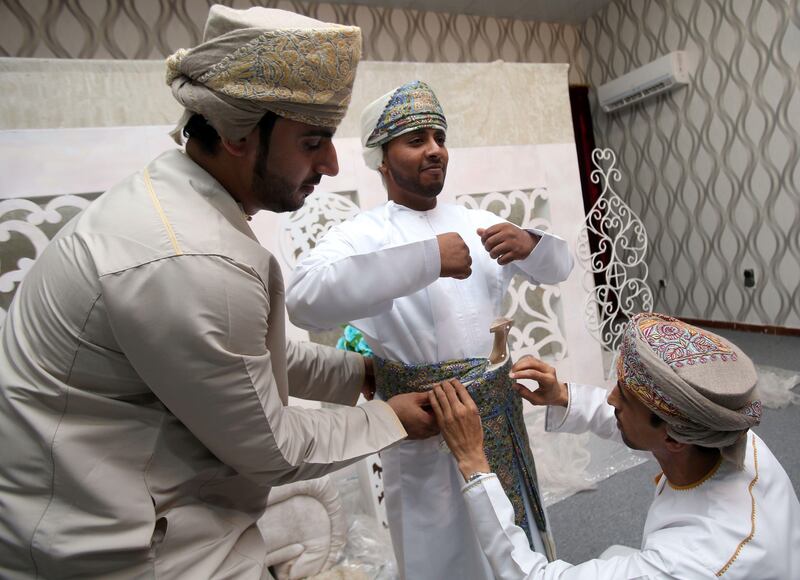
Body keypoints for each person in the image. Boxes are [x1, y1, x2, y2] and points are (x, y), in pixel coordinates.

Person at [0, 6, 434, 579]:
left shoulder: (180, 203)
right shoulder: (189, 257)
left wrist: (360, 375)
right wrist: (392, 419)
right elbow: (270, 446)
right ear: (235, 133)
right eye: (313, 142)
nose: (331, 163)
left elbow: (242, 361)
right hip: (126, 553)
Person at [286, 80, 574, 580]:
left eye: (439, 137)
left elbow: (561, 267)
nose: (435, 149)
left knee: (509, 540)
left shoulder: (478, 222)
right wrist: (425, 260)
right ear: (381, 156)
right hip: (423, 423)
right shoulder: (362, 234)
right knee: (437, 550)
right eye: (416, 139)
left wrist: (532, 243)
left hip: (494, 419)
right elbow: (303, 301)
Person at [430, 312, 800, 579]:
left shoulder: (687, 563)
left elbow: (533, 577)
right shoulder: (724, 430)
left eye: (622, 394)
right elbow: (640, 424)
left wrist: (474, 465)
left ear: (673, 437)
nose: (610, 400)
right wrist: (562, 396)